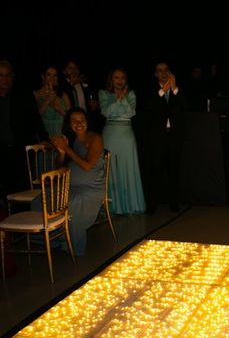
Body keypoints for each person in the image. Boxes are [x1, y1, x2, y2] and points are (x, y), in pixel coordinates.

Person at [49, 107, 105, 256]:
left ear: (87, 122)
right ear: (69, 124)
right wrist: (61, 152)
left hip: (90, 188)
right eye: (74, 121)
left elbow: (87, 166)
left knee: (70, 202)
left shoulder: (95, 138)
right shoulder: (70, 139)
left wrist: (66, 148)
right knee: (43, 198)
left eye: (82, 120)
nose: (78, 123)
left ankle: (71, 244)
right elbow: (60, 166)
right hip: (70, 185)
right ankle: (54, 240)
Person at [140, 61, 186, 214]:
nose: (163, 73)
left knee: (174, 172)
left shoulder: (176, 91)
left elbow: (185, 107)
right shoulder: (150, 91)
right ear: (155, 74)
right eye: (160, 71)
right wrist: (162, 92)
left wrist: (173, 89)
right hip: (157, 139)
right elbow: (148, 108)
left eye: (166, 70)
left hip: (173, 137)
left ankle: (174, 203)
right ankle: (152, 205)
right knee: (155, 172)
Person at [99, 68, 146, 214]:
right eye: (116, 78)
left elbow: (131, 112)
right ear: (111, 80)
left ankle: (131, 205)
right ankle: (112, 207)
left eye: (122, 78)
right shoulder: (104, 93)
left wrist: (123, 98)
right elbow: (105, 112)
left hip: (126, 135)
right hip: (110, 134)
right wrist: (118, 99)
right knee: (110, 169)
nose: (119, 81)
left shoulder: (130, 94)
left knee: (128, 168)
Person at [0, 60, 49, 198]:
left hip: (21, 151)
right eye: (1, 75)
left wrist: (44, 138)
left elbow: (36, 119)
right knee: (5, 192)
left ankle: (23, 217)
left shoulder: (23, 95)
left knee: (23, 190)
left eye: (8, 75)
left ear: (13, 77)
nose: (5, 79)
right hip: (1, 151)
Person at [33, 66, 71, 137]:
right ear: (43, 77)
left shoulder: (63, 95)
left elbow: (71, 118)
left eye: (55, 75)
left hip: (62, 132)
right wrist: (48, 100)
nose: (52, 78)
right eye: (49, 74)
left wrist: (60, 109)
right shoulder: (36, 94)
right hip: (46, 133)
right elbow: (34, 117)